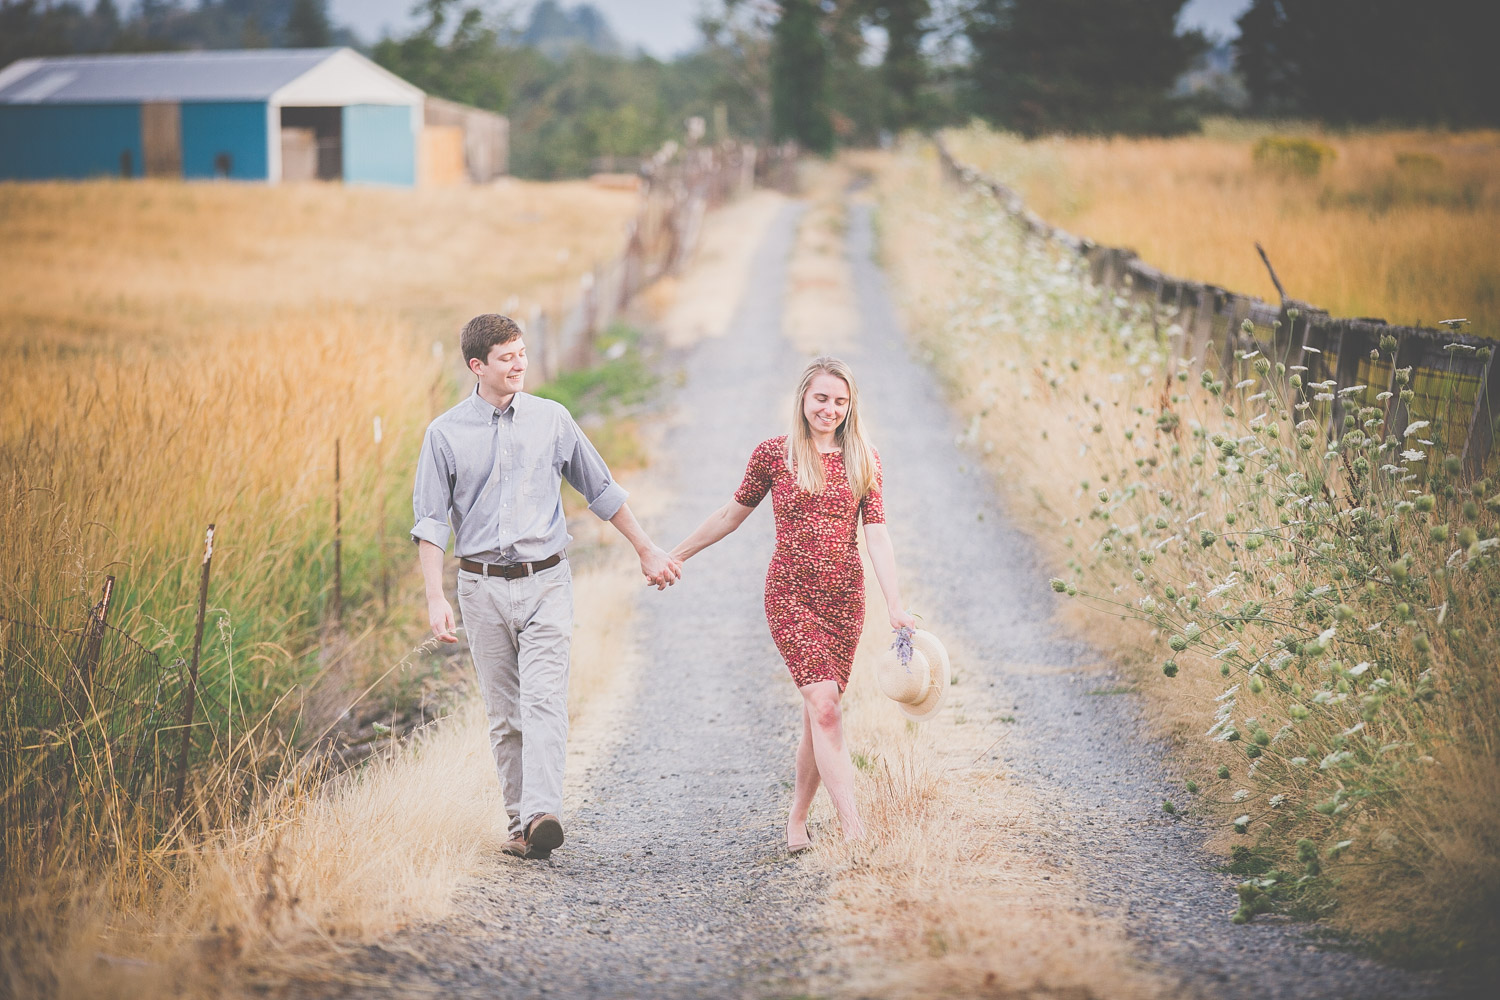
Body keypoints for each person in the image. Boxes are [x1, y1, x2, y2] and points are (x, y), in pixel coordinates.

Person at [412, 313, 680, 861]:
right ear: (477, 365)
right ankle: (521, 827)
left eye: (522, 353)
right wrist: (435, 597)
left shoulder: (553, 419)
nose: (519, 365)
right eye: (506, 357)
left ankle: (541, 814)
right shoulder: (443, 434)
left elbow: (600, 489)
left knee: (544, 702)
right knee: (505, 714)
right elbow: (431, 523)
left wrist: (647, 549)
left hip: (547, 582)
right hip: (480, 588)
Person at [669, 356, 914, 851]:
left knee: (819, 714)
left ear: (850, 406)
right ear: (803, 398)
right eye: (821, 398)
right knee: (824, 707)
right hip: (790, 595)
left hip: (845, 601)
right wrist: (675, 555)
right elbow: (730, 515)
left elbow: (878, 535)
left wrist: (895, 603)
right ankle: (853, 831)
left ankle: (797, 818)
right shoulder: (773, 455)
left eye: (840, 401)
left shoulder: (864, 458)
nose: (830, 409)